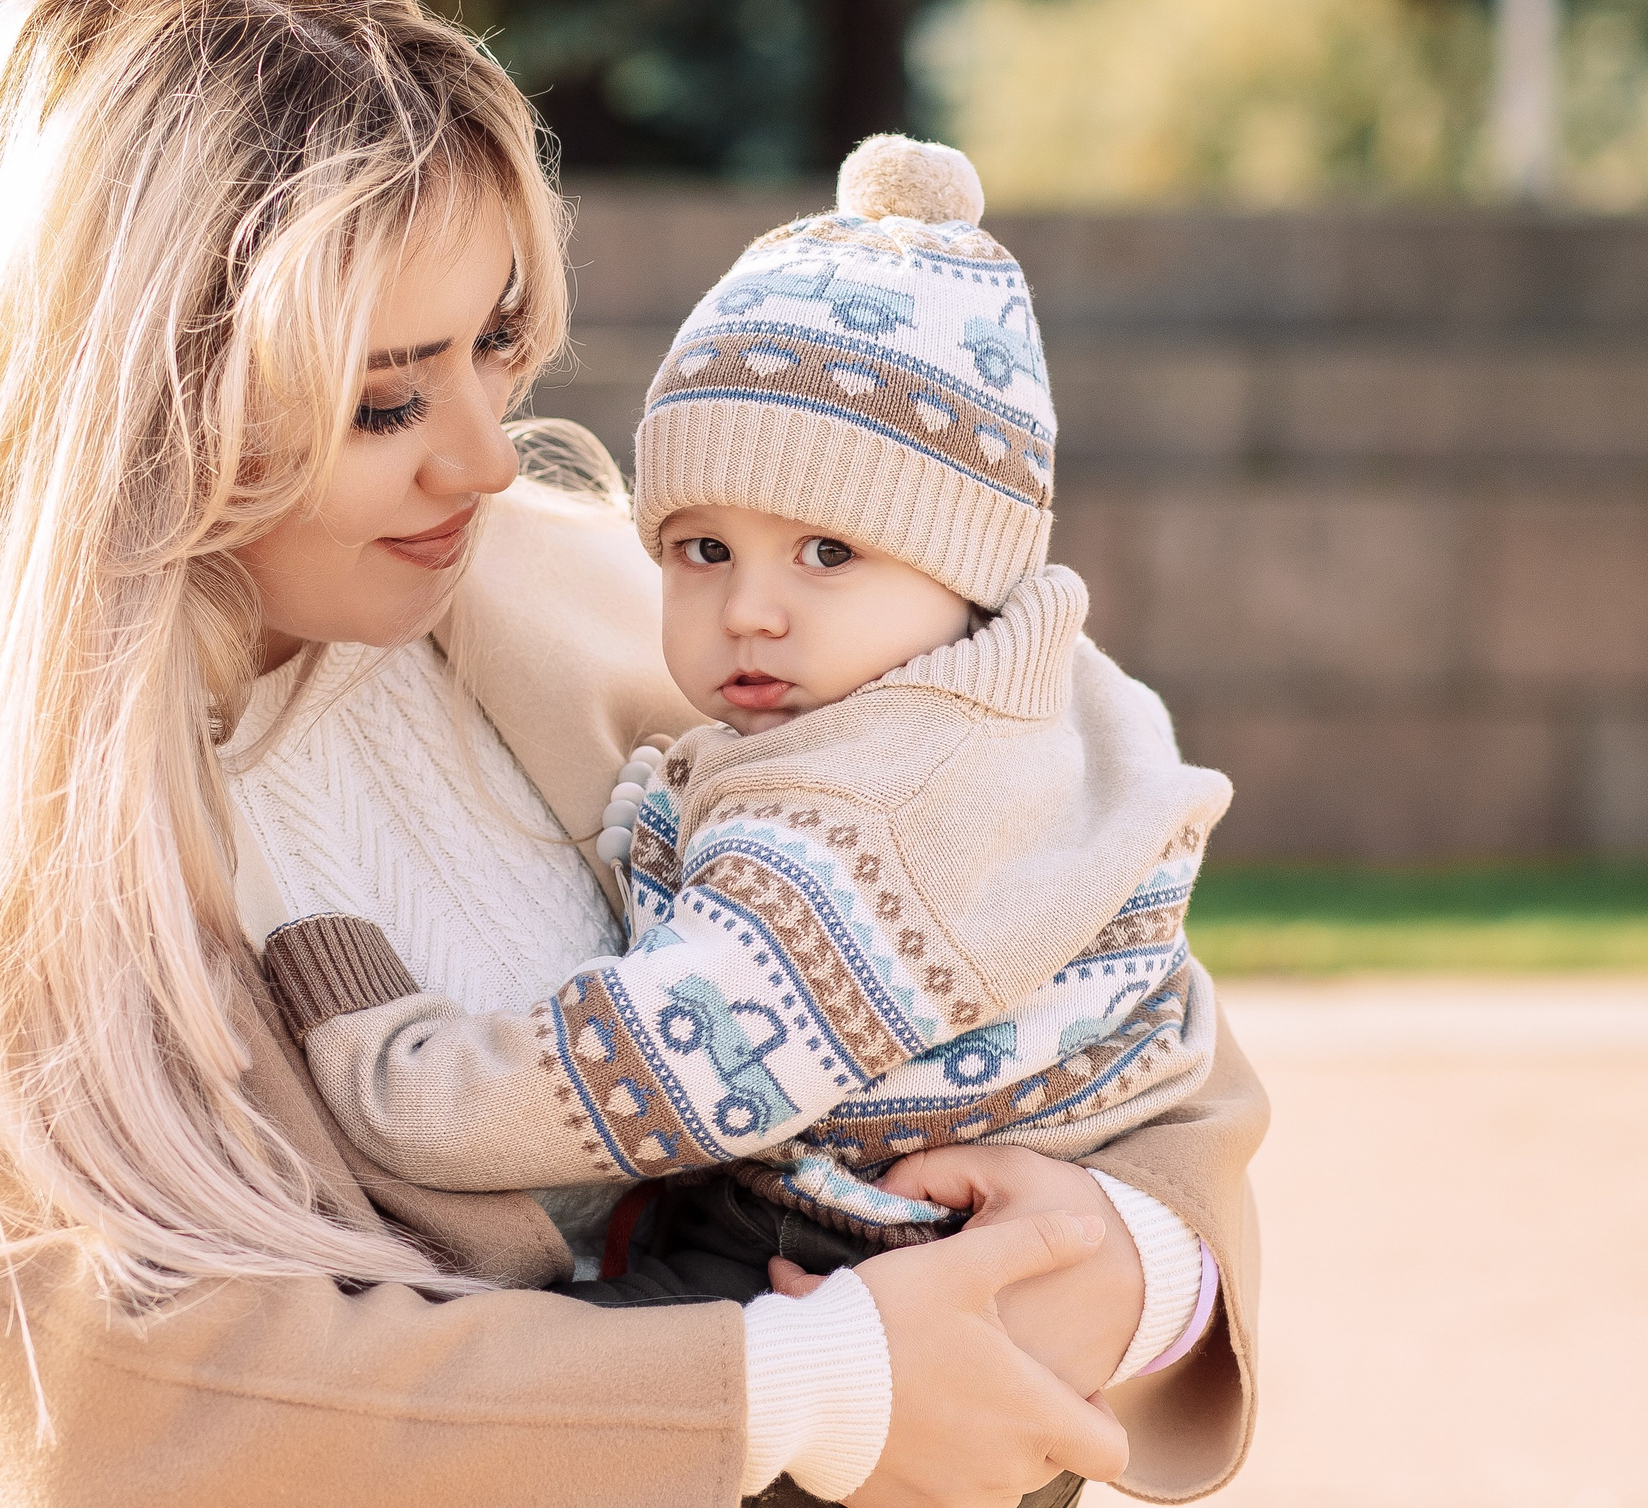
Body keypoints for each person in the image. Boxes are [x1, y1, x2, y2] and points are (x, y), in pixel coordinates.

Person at [0, 0, 1268, 1508]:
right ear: (134, 393)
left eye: (497, 344)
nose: (486, 451)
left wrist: (1140, 1259)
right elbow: (80, 1400)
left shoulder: (587, 591)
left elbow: (1096, 966)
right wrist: (802, 1386)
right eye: (385, 398)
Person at [266, 135, 1233, 1413]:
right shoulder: (1006, 700)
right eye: (702, 548)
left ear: (972, 570)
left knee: (556, 1397)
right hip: (848, 1210)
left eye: (828, 552)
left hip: (858, 1242)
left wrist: (391, 1065)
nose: (749, 612)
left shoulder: (877, 806)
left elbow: (671, 1065)